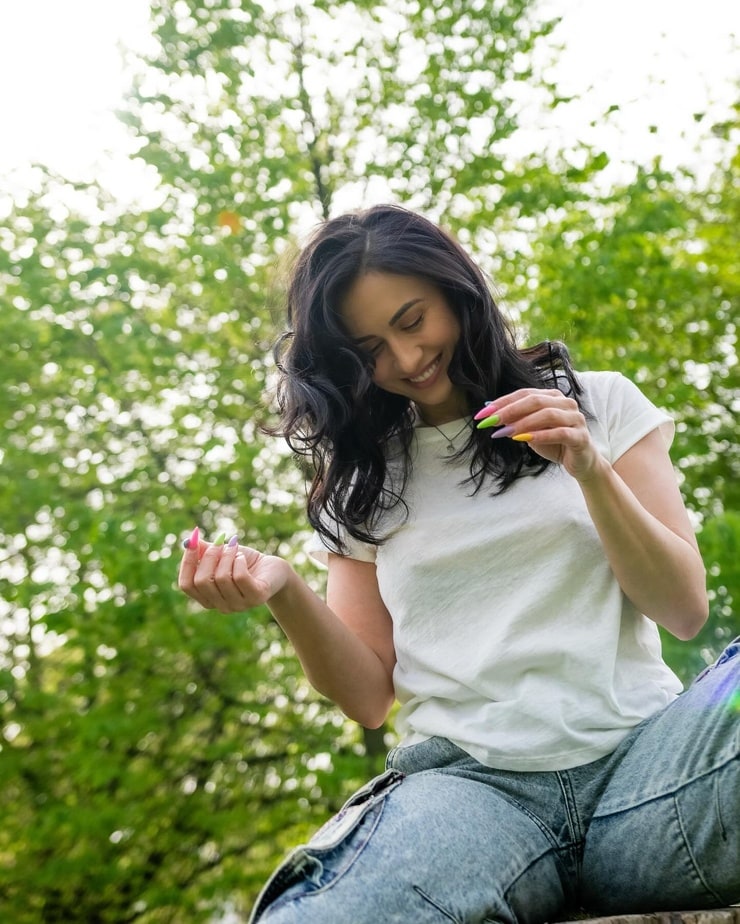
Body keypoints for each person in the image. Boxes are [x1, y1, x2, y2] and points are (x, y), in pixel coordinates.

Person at [178, 204, 739, 923]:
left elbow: (684, 608)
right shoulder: (362, 483)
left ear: (456, 291)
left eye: (413, 321)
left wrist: (589, 468)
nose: (407, 360)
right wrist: (285, 591)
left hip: (654, 777)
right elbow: (367, 697)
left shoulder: (596, 403)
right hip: (473, 801)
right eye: (371, 349)